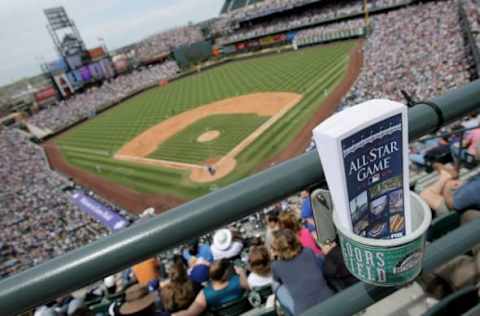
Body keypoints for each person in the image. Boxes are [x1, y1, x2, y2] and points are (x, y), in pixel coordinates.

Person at [271, 229, 334, 315]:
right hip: (329, 300)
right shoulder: (308, 252)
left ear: (277, 249)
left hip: (305, 311)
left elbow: (277, 280)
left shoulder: (276, 266)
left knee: (276, 286)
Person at [172, 259, 249, 316]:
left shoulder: (205, 294)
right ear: (225, 273)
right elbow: (251, 287)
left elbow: (189, 313)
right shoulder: (238, 281)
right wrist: (242, 273)